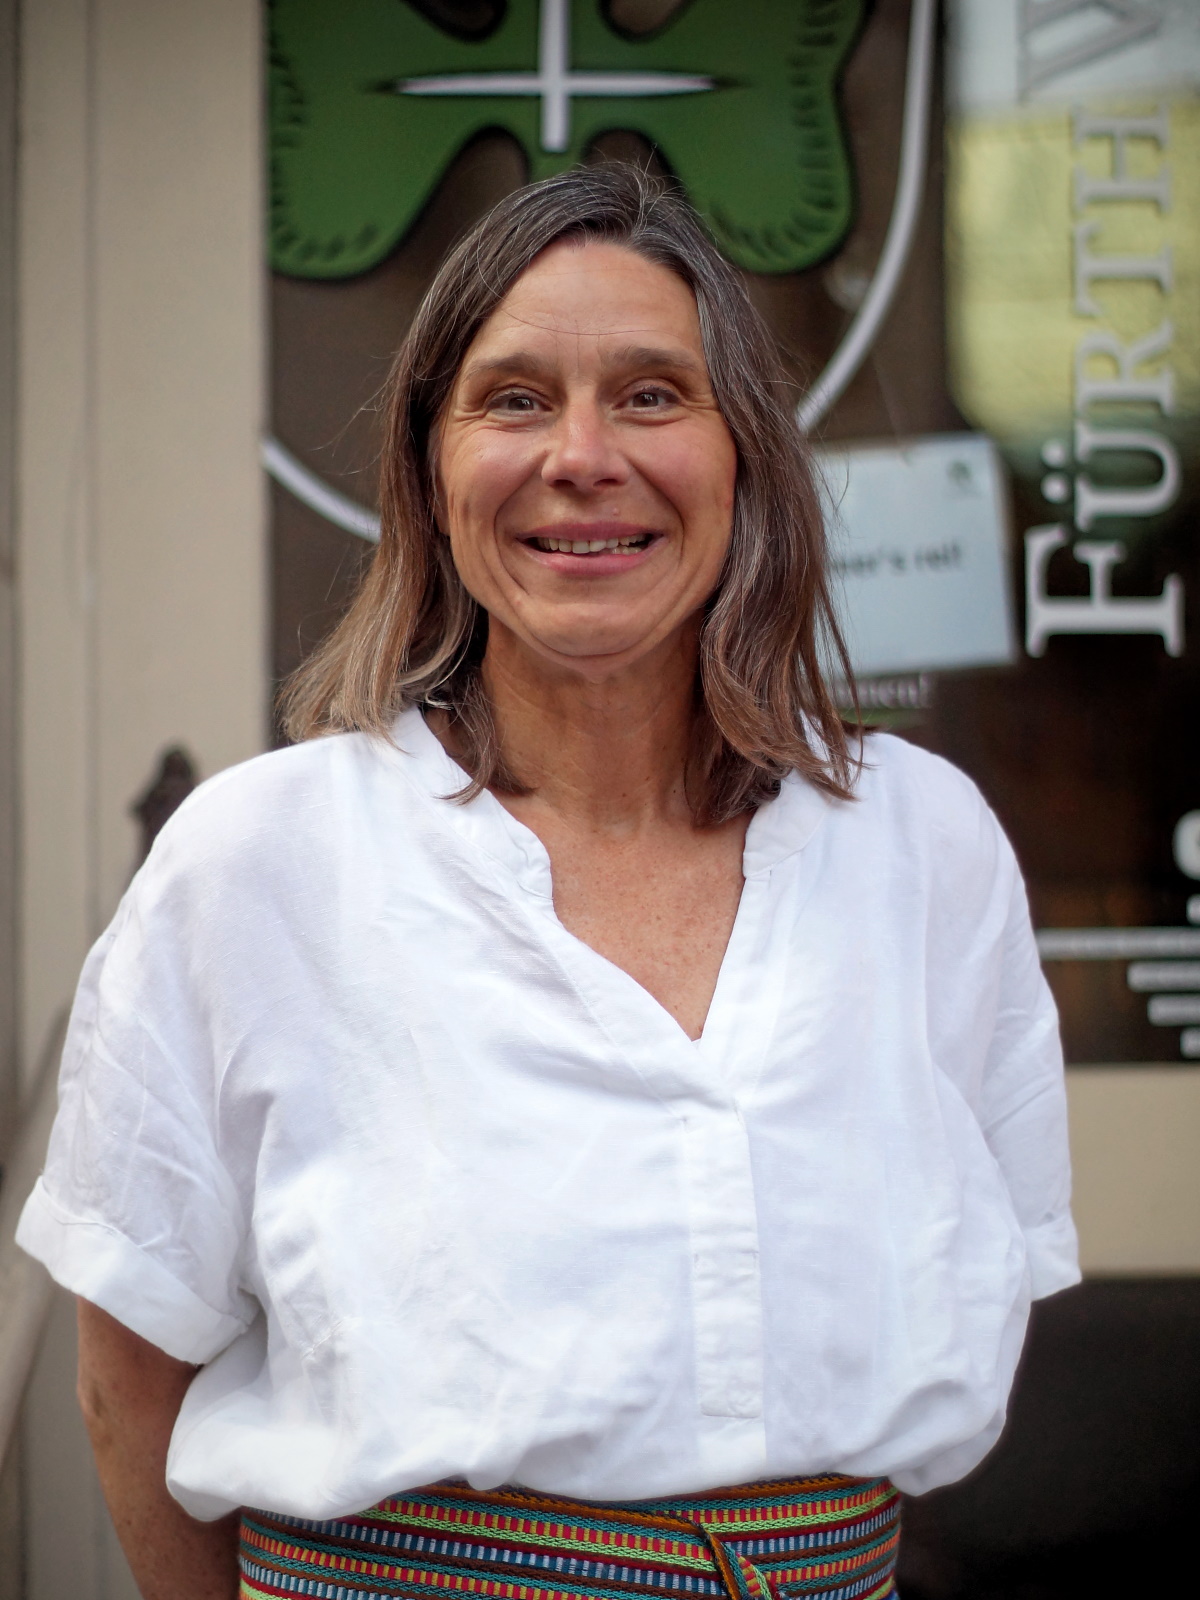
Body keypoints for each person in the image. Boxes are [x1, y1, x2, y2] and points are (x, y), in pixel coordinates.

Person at [17, 164, 1079, 1600]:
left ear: (744, 458)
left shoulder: (920, 845)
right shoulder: (259, 864)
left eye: (652, 394)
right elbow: (127, 1375)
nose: (583, 455)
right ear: (430, 473)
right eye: (515, 399)